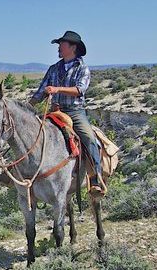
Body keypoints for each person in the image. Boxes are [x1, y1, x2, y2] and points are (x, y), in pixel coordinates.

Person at [29, 30, 105, 197]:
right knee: (29, 134)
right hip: (55, 110)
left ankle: (95, 179)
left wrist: (57, 89)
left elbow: (80, 90)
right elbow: (41, 92)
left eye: (61, 44)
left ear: (72, 47)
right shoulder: (53, 69)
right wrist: (27, 106)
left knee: (89, 138)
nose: (58, 47)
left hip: (75, 112)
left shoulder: (82, 69)